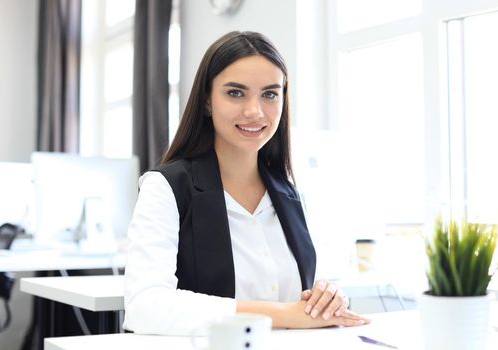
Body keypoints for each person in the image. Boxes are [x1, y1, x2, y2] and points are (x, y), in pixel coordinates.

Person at [123, 31, 370, 335]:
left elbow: (304, 293)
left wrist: (327, 298)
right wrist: (285, 314)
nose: (255, 111)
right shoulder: (166, 187)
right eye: (236, 93)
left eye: (269, 94)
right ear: (207, 101)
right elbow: (144, 307)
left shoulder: (289, 193)